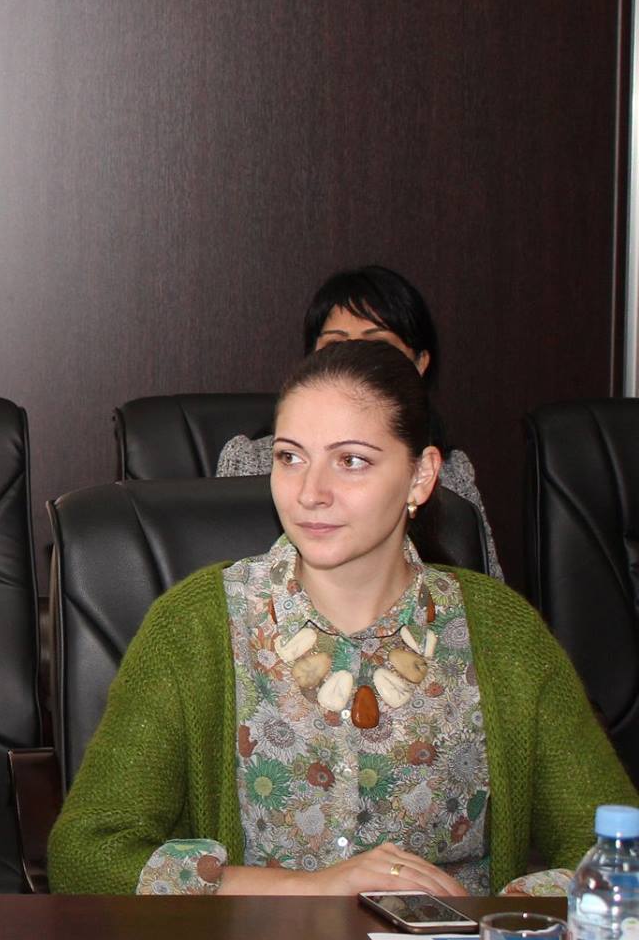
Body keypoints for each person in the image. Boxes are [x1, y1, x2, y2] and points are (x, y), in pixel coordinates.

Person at [51, 340, 635, 896]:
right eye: (290, 458)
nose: (310, 492)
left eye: (351, 461)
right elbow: (85, 853)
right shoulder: (195, 625)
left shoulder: (502, 632)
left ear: (421, 476)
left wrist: (491, 922)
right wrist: (306, 890)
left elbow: (617, 855)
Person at [216, 265, 501, 578]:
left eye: (377, 345)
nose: (356, 360)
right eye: (336, 346)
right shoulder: (249, 459)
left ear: (420, 363)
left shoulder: (451, 471)